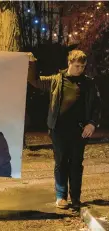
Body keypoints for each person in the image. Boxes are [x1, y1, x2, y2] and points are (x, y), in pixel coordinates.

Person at [28, 50, 101, 209]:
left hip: (80, 131)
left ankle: (75, 198)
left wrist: (92, 123)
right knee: (61, 162)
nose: (80, 69)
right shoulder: (56, 80)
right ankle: (61, 196)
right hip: (58, 130)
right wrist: (32, 63)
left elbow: (96, 106)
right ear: (69, 63)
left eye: (82, 66)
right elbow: (33, 80)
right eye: (76, 66)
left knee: (76, 163)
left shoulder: (88, 83)